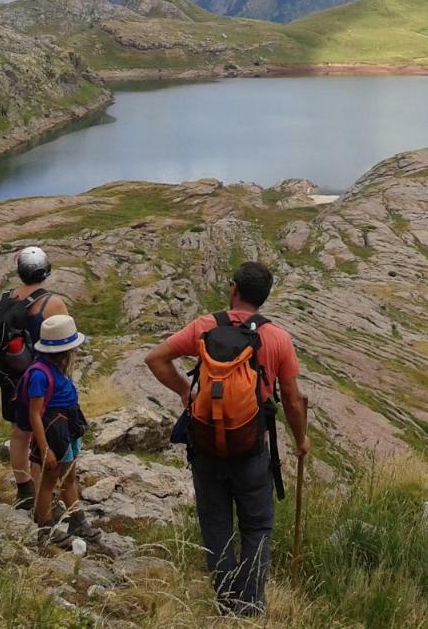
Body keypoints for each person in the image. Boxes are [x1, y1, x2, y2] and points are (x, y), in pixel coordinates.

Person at [144, 261, 309, 617]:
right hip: (252, 448)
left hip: (205, 444)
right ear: (263, 299)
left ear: (234, 289)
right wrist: (301, 440)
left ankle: (224, 600)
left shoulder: (205, 326)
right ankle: (248, 606)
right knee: (257, 524)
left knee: (216, 522)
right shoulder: (277, 338)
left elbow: (155, 358)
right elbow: (293, 401)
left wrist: (185, 394)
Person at [0, 246, 69, 510]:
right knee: (45, 432)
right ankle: (44, 494)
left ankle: (24, 489)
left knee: (19, 433)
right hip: (43, 378)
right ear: (46, 270)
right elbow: (67, 340)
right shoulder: (53, 303)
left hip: (14, 376)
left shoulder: (8, 297)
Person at [18, 314, 98, 541]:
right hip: (54, 430)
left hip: (67, 427)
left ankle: (77, 521)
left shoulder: (58, 369)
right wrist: (44, 448)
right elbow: (35, 413)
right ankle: (45, 528)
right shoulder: (39, 374)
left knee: (69, 477)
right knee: (49, 481)